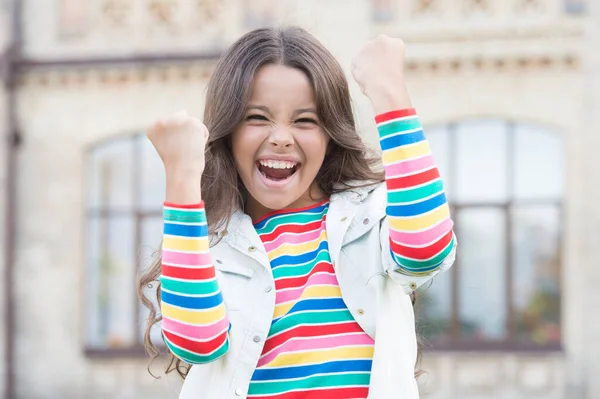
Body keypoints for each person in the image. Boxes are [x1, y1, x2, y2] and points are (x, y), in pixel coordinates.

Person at [139, 26, 456, 399]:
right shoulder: (211, 246)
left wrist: (390, 94)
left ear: (329, 135)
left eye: (304, 120)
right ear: (228, 134)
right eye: (257, 117)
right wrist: (181, 177)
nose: (281, 137)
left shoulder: (369, 218)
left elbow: (426, 250)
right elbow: (196, 343)